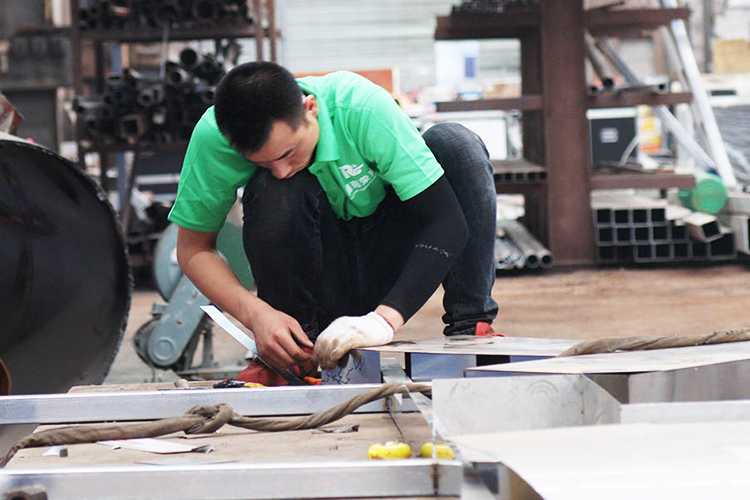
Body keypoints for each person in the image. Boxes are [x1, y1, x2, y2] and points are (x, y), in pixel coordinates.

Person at [168, 61, 499, 385]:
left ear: (310, 108)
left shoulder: (362, 108)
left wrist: (385, 320)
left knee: (457, 144)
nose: (281, 169)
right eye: (263, 162)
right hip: (320, 278)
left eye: (287, 153)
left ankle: (470, 331)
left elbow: (446, 222)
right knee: (274, 187)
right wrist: (256, 314)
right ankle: (293, 354)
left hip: (390, 259)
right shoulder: (215, 138)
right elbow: (193, 249)